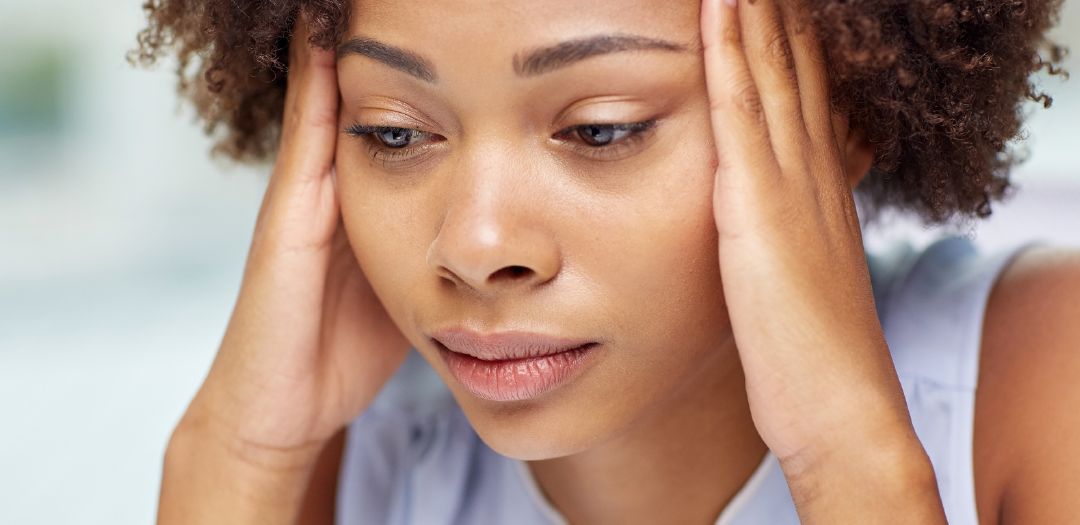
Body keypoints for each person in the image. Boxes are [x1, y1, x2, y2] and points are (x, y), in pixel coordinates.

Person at [135, 0, 1079, 523]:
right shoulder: (342, 464)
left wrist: (850, 459)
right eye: (392, 132)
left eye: (600, 129)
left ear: (846, 118)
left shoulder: (1040, 380)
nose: (476, 245)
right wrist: (236, 454)